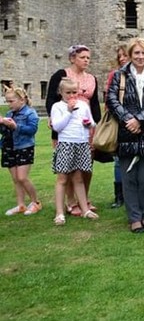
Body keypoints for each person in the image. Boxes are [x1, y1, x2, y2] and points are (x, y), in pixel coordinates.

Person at [107, 38, 144, 234]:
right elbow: (112, 100)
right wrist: (128, 120)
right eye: (137, 53)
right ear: (131, 55)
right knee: (129, 177)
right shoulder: (119, 76)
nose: (140, 57)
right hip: (126, 133)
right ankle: (134, 218)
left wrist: (139, 120)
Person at [45, 44, 102, 216]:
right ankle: (70, 201)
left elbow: (94, 103)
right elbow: (51, 99)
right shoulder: (61, 75)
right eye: (82, 57)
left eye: (88, 58)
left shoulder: (91, 78)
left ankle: (84, 198)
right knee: (68, 166)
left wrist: (95, 123)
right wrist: (51, 117)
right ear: (72, 58)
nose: (86, 60)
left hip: (84, 126)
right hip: (65, 125)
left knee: (86, 164)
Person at [49, 78, 99, 225]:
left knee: (78, 178)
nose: (71, 96)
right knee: (62, 179)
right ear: (61, 92)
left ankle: (85, 210)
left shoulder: (83, 105)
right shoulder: (57, 107)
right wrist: (69, 111)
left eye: (74, 92)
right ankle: (59, 213)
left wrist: (89, 124)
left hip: (81, 144)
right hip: (66, 144)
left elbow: (91, 122)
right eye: (68, 93)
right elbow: (57, 127)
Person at [1, 86, 41, 216]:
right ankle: (21, 205)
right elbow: (4, 132)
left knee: (22, 177)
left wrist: (15, 126)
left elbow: (32, 130)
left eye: (11, 101)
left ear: (22, 100)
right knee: (15, 179)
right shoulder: (9, 114)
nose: (9, 104)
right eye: (7, 101)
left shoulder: (30, 113)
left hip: (24, 147)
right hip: (9, 147)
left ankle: (36, 202)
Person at [105, 44, 128, 209]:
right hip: (119, 122)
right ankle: (119, 196)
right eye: (119, 56)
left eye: (124, 55)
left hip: (138, 122)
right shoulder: (115, 75)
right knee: (119, 161)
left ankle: (131, 194)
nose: (122, 59)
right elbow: (109, 100)